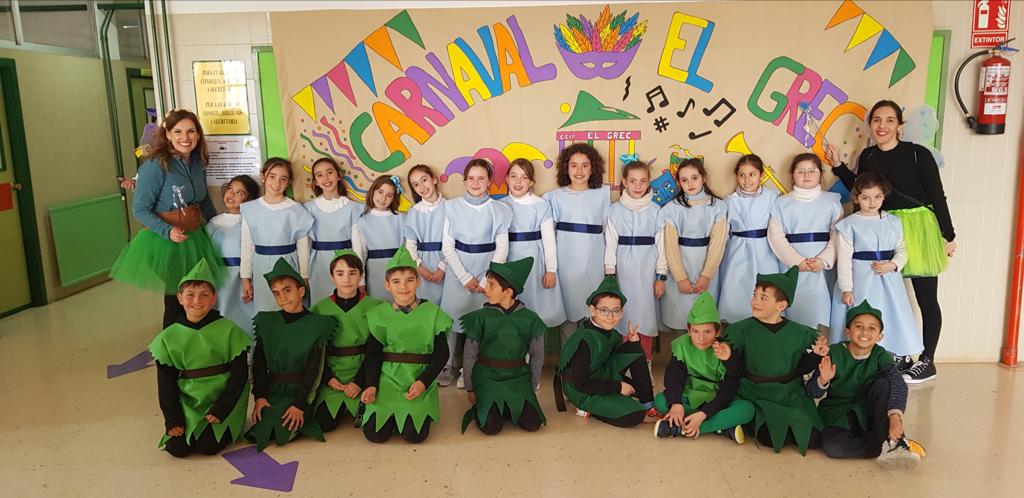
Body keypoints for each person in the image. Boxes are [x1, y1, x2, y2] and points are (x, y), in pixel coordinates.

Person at [828, 99, 956, 383]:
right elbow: (862, 189)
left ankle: (927, 360)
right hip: (883, 226)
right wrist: (838, 166)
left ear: (900, 125)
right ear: (870, 125)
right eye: (876, 120)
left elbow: (937, 195)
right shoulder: (869, 156)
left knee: (925, 297)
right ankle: (899, 354)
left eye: (889, 120)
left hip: (919, 227)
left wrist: (948, 234)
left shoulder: (918, 154)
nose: (882, 126)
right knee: (889, 296)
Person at [110, 109, 225, 328]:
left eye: (191, 131)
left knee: (200, 296)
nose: (185, 137)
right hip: (166, 242)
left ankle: (197, 342)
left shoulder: (198, 163)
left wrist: (219, 225)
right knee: (179, 299)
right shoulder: (154, 167)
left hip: (195, 236)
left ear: (198, 135)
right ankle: (171, 346)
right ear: (168, 135)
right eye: (178, 131)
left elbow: (203, 201)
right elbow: (140, 209)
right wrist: (167, 231)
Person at [149, 260, 251, 458]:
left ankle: (223, 423)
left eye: (204, 295)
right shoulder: (168, 337)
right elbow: (166, 382)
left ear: (214, 298)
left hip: (222, 399)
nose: (197, 300)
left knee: (208, 445)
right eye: (190, 295)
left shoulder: (229, 330)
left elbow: (240, 376)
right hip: (189, 401)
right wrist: (173, 419)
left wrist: (221, 408)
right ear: (180, 298)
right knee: (177, 448)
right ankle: (188, 422)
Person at [808, 300, 926, 468]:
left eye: (872, 328)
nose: (865, 332)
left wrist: (895, 417)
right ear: (847, 331)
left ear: (880, 336)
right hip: (839, 414)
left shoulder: (880, 355)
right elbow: (812, 392)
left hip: (871, 413)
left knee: (883, 384)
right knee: (833, 447)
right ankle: (884, 445)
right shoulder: (834, 353)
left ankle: (894, 443)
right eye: (858, 326)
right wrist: (823, 380)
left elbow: (897, 383)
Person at [725, 266, 829, 454]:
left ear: (781, 306)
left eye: (763, 298)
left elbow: (800, 369)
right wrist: (728, 357)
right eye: (755, 295)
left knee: (813, 439)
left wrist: (816, 355)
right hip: (756, 393)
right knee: (772, 438)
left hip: (789, 393)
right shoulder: (741, 330)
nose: (755, 301)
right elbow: (737, 369)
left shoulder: (799, 333)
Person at [829, 173, 923, 371]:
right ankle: (856, 358)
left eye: (877, 197)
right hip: (860, 279)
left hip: (888, 280)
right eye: (866, 198)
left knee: (889, 313)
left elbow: (902, 249)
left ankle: (890, 356)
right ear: (857, 198)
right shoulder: (849, 224)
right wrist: (846, 288)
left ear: (883, 196)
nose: (872, 203)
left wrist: (892, 264)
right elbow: (844, 259)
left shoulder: (893, 222)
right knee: (860, 315)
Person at [360, 246, 452, 444]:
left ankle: (412, 413)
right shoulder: (379, 315)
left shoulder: (433, 314)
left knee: (414, 436)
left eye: (409, 280)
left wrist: (423, 382)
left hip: (418, 378)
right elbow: (373, 354)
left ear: (418, 281)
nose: (403, 286)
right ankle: (391, 414)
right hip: (387, 380)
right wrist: (371, 385)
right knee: (375, 434)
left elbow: (442, 355)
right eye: (396, 281)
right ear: (387, 285)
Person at [246, 258, 336, 451]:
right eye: (276, 293)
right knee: (259, 432)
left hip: (300, 392)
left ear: (301, 291)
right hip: (274, 390)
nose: (282, 298)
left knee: (283, 429)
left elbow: (314, 371)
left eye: (287, 290)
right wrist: (260, 396)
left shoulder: (317, 325)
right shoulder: (267, 323)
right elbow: (259, 364)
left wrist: (299, 404)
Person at [439, 159, 512, 388]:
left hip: (487, 271)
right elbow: (447, 247)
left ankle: (470, 369)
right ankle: (446, 365)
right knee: (452, 319)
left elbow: (502, 248)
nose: (475, 182)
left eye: (481, 178)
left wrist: (486, 279)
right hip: (459, 269)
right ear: (464, 181)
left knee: (481, 324)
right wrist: (464, 276)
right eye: (471, 178)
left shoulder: (500, 210)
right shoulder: (451, 207)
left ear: (489, 181)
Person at [555, 276, 657, 428]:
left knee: (634, 347)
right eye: (604, 310)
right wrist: (618, 387)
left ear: (621, 312)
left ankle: (647, 404)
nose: (610, 317)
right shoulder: (584, 340)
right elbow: (580, 383)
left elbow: (614, 360)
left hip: (601, 375)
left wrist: (632, 343)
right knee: (634, 414)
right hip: (582, 390)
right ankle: (587, 409)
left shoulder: (611, 333)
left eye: (615, 311)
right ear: (592, 310)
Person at [460, 257, 546, 435]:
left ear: (508, 292)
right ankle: (491, 407)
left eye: (492, 285)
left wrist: (531, 385)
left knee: (533, 423)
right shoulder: (480, 318)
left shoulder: (530, 319)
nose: (486, 289)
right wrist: (470, 387)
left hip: (518, 378)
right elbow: (469, 355)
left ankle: (506, 406)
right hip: (488, 378)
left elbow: (537, 355)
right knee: (491, 427)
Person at [653, 291, 753, 443]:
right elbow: (674, 378)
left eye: (707, 331)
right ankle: (722, 427)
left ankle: (681, 429)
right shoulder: (682, 346)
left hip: (718, 399)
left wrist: (703, 414)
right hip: (691, 394)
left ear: (718, 331)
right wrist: (676, 403)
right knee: (661, 401)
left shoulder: (725, 349)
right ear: (688, 330)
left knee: (747, 409)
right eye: (695, 331)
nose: (701, 338)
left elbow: (730, 388)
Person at [767, 153, 842, 332]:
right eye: (801, 171)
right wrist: (797, 262)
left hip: (822, 266)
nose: (806, 175)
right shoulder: (781, 203)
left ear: (820, 173)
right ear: (793, 174)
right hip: (792, 266)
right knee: (793, 310)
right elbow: (776, 237)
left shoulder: (832, 201)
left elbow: (838, 235)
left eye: (811, 171)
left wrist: (823, 260)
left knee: (821, 313)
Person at [311, 250, 384, 433]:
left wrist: (359, 381)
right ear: (332, 277)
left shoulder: (375, 307)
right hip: (333, 375)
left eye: (352, 273)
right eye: (340, 273)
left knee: (374, 425)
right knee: (324, 423)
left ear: (361, 275)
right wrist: (328, 378)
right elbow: (316, 353)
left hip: (364, 372)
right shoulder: (319, 309)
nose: (347, 279)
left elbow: (376, 352)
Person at [545, 143, 610, 343]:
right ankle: (569, 357)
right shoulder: (553, 197)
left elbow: (608, 231)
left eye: (585, 165)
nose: (579, 171)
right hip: (565, 262)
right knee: (568, 311)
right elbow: (548, 235)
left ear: (593, 168)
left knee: (594, 308)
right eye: (573, 165)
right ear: (566, 168)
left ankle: (593, 356)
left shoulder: (603, 194)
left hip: (594, 262)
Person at [604, 158, 666, 362]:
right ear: (624, 182)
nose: (638, 186)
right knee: (622, 313)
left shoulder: (656, 211)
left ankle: (645, 361)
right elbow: (611, 244)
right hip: (624, 271)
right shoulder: (614, 210)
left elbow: (662, 246)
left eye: (643, 181)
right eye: (633, 181)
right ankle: (624, 362)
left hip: (647, 270)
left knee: (645, 316)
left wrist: (661, 276)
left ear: (648, 182)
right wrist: (610, 274)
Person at [658, 158, 727, 331]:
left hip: (707, 266)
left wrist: (707, 276)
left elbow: (718, 244)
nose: (690, 183)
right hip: (681, 267)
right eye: (684, 180)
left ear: (703, 178)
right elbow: (670, 247)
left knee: (704, 319)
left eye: (694, 178)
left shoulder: (718, 206)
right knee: (680, 316)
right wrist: (681, 278)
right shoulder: (671, 209)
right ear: (679, 183)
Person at [240, 158, 314, 313]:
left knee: (290, 307)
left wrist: (304, 276)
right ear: (263, 176)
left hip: (288, 264)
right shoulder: (250, 209)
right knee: (265, 309)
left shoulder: (296, 210)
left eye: (283, 179)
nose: (277, 183)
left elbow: (303, 247)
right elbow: (247, 245)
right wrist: (245, 277)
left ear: (289, 182)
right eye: (272, 176)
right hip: (261, 267)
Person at [499, 158, 566, 328]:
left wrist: (551, 269)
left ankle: (534, 341)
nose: (518, 181)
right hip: (509, 260)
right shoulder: (499, 205)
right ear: (507, 179)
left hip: (534, 260)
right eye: (514, 176)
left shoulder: (541, 205)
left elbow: (549, 239)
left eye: (524, 177)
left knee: (533, 304)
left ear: (531, 182)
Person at [718, 154, 780, 323]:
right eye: (742, 175)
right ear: (736, 176)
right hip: (738, 250)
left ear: (761, 175)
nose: (747, 180)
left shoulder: (772, 196)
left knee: (766, 289)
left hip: (766, 249)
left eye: (752, 174)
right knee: (737, 289)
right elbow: (724, 232)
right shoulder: (729, 201)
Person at [206, 175, 260, 335]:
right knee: (222, 310)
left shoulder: (250, 221)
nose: (232, 195)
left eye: (239, 193)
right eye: (230, 189)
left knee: (245, 313)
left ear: (249, 199)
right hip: (219, 276)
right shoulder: (214, 222)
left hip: (243, 275)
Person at [304, 157, 361, 304]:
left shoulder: (353, 208)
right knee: (321, 304)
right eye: (320, 175)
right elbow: (305, 245)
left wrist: (361, 279)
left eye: (330, 172)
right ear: (315, 182)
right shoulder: (308, 208)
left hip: (346, 265)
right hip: (318, 265)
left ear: (339, 176)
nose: (326, 178)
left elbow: (358, 246)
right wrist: (304, 273)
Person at [353, 175, 405, 301]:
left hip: (399, 272)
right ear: (372, 191)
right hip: (374, 274)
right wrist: (361, 283)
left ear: (394, 198)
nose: (383, 198)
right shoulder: (361, 222)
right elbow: (359, 255)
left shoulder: (402, 219)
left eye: (389, 195)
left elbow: (407, 248)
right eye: (380, 192)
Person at [404, 164, 447, 304]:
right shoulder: (413, 211)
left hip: (448, 264)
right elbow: (410, 245)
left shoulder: (450, 207)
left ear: (434, 179)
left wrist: (443, 267)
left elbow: (456, 242)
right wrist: (419, 268)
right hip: (422, 267)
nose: (422, 187)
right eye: (416, 185)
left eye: (424, 180)